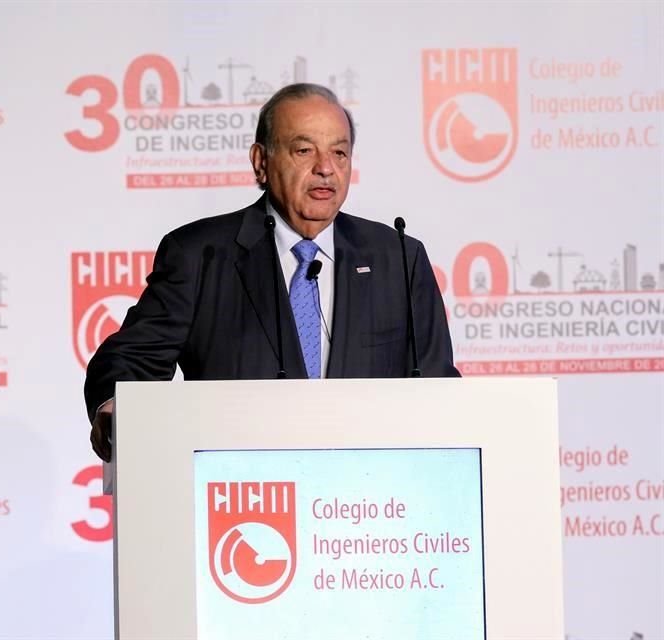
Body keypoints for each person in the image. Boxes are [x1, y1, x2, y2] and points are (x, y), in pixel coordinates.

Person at [85, 83, 458, 462]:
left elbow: (438, 386)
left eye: (340, 153)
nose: (326, 168)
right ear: (261, 161)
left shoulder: (397, 256)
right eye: (304, 150)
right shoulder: (202, 254)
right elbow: (132, 360)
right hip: (240, 492)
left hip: (370, 496)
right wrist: (116, 405)